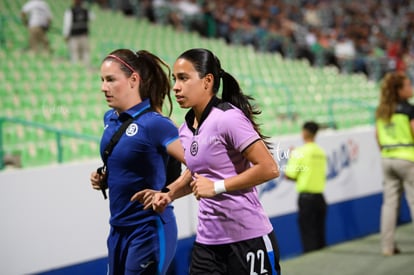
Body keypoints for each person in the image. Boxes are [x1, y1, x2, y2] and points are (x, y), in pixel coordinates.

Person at [134, 48, 281, 274]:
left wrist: (217, 187)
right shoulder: (185, 129)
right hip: (207, 244)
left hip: (247, 239)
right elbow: (194, 173)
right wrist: (168, 193)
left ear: (207, 81)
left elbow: (269, 168)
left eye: (183, 78)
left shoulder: (228, 118)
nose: (176, 87)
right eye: (175, 79)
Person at [89, 49, 185, 275]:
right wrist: (106, 179)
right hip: (117, 230)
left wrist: (169, 193)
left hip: (148, 229)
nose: (104, 87)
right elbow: (129, 162)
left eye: (111, 80)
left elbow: (199, 164)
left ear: (134, 80)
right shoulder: (110, 118)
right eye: (102, 80)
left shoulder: (156, 124)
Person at [375, 72, 414, 256]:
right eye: (408, 85)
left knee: (389, 205)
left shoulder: (381, 110)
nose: (411, 88)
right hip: (407, 157)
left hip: (387, 158)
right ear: (399, 90)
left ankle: (387, 247)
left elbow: (377, 136)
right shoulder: (409, 109)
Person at [285, 121, 327, 253]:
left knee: (308, 235)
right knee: (320, 233)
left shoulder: (300, 152)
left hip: (306, 198)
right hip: (320, 197)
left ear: (304, 132)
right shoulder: (321, 152)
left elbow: (289, 175)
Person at [63, 0, 93, 65]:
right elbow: (92, 17)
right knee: (85, 53)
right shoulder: (85, 10)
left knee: (74, 53)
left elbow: (67, 24)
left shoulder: (70, 11)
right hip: (83, 36)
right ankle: (85, 68)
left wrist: (66, 35)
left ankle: (76, 69)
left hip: (74, 36)